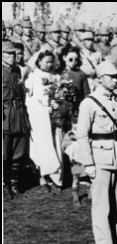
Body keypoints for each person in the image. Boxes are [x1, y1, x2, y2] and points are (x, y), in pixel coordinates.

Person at [77, 61, 117, 244]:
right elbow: (82, 136)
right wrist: (89, 164)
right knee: (101, 202)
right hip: (100, 157)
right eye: (110, 76)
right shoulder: (89, 103)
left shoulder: (116, 99)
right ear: (100, 78)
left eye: (116, 76)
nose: (115, 79)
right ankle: (102, 241)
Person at [25, 50, 64, 190]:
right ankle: (43, 177)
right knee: (43, 146)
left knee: (56, 143)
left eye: (51, 62)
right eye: (46, 61)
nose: (49, 64)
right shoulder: (33, 76)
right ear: (39, 61)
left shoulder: (57, 76)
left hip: (54, 116)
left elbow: (61, 95)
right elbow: (28, 96)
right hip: (39, 117)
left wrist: (57, 105)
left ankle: (56, 177)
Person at [3, 41, 31, 199]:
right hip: (4, 115)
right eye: (9, 54)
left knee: (18, 152)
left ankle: (14, 183)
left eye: (14, 54)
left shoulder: (17, 71)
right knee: (4, 154)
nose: (13, 57)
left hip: (19, 113)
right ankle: (5, 185)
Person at [61, 114, 90, 207]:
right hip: (75, 160)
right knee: (76, 178)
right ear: (71, 124)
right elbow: (64, 145)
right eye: (74, 123)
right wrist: (71, 148)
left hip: (85, 158)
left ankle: (91, 194)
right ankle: (75, 198)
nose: (76, 126)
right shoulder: (70, 134)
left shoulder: (85, 132)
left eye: (78, 123)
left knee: (88, 177)